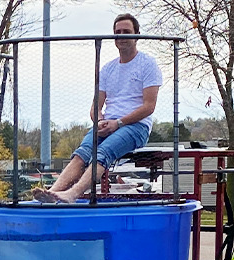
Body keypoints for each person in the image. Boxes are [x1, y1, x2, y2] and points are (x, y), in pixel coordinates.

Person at [34, 13, 162, 203]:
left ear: (136, 35)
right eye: (117, 32)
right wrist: (100, 120)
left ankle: (73, 193)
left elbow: (148, 107)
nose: (121, 36)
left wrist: (118, 123)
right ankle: (53, 192)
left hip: (136, 126)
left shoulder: (148, 64)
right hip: (107, 124)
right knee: (82, 153)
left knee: (103, 153)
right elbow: (96, 105)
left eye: (126, 32)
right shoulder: (108, 69)